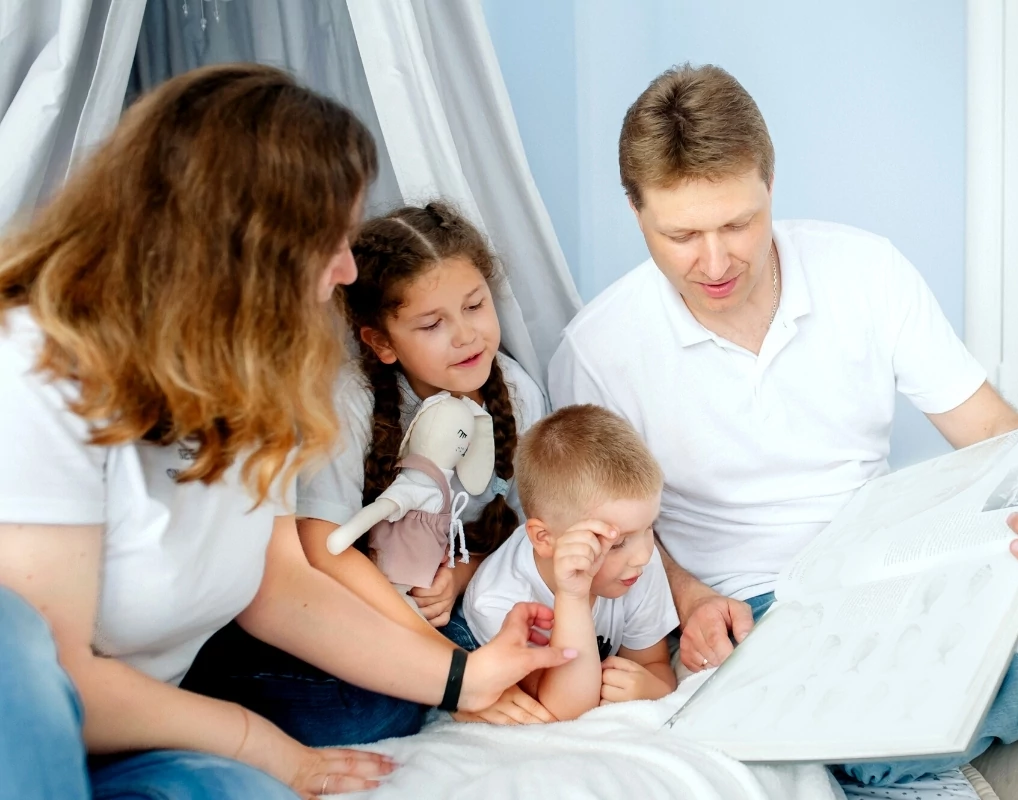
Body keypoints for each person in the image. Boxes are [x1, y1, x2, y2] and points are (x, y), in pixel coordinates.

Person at [549, 63, 1018, 785]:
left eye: (739, 223)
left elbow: (992, 431)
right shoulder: (599, 350)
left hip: (895, 539)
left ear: (770, 184)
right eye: (682, 234)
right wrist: (690, 597)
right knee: (855, 743)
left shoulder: (863, 268)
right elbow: (612, 531)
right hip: (754, 604)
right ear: (636, 212)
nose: (715, 261)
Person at [0, 64, 572, 799]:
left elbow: (278, 586)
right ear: (243, 248)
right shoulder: (32, 370)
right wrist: (259, 743)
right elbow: (50, 683)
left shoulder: (252, 376)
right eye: (329, 241)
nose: (346, 271)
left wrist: (462, 678)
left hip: (139, 731)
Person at [184, 200, 559, 734]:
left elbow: (520, 529)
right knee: (381, 708)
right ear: (382, 342)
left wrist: (459, 577)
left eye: (475, 306)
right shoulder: (349, 401)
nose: (466, 336)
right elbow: (323, 548)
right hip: (354, 603)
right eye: (432, 324)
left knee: (529, 641)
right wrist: (451, 669)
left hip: (444, 601)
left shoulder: (517, 393)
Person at [462, 404, 679, 721]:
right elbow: (564, 708)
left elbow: (652, 662)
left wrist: (653, 689)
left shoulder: (634, 565)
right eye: (617, 543)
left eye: (649, 528)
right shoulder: (500, 602)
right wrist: (573, 596)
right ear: (545, 539)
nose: (644, 555)